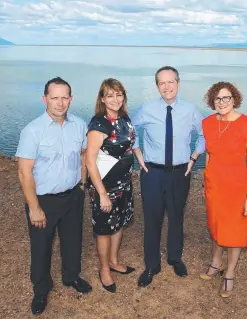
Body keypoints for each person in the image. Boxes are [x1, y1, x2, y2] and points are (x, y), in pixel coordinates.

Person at [16, 77, 92, 315]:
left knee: (72, 240)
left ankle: (71, 276)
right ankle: (41, 289)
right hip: (44, 200)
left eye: (64, 97)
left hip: (72, 195)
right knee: (41, 247)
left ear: (71, 99)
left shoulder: (79, 125)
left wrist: (82, 184)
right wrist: (34, 207)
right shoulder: (32, 131)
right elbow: (24, 172)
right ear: (45, 99)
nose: (60, 103)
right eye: (54, 97)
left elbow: (83, 155)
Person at [132, 66, 205, 287]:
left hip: (179, 172)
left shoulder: (191, 110)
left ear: (178, 83)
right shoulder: (146, 108)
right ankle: (152, 264)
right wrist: (139, 155)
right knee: (152, 219)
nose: (167, 87)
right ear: (157, 86)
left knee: (176, 216)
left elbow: (204, 135)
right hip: (152, 172)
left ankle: (175, 257)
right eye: (162, 83)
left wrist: (194, 158)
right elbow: (130, 131)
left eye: (170, 82)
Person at [85, 78, 146, 293]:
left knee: (119, 224)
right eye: (110, 95)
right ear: (102, 98)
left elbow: (130, 144)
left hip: (124, 184)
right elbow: (90, 161)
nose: (115, 99)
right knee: (104, 230)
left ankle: (113, 261)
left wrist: (139, 158)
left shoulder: (124, 119)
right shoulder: (99, 123)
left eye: (119, 94)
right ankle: (104, 269)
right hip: (104, 187)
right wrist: (101, 194)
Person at [199, 81, 247, 298]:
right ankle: (216, 262)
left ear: (234, 99)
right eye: (217, 98)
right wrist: (206, 178)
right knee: (215, 225)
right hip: (214, 185)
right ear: (212, 101)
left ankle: (230, 272)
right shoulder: (207, 123)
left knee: (234, 230)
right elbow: (209, 153)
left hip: (237, 188)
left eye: (226, 98)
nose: (222, 102)